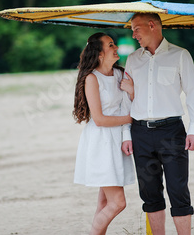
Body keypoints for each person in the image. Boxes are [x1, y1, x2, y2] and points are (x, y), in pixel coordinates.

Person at [120, 13, 194, 235]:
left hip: (172, 132)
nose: (133, 34)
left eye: (136, 28)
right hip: (140, 133)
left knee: (178, 190)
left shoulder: (180, 55)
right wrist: (126, 135)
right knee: (149, 193)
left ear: (151, 26)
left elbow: (193, 93)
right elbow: (125, 100)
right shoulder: (132, 59)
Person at [73, 32, 136, 235]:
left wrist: (133, 91)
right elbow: (99, 119)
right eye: (111, 45)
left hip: (117, 139)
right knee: (118, 202)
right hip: (100, 142)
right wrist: (130, 120)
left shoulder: (120, 74)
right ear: (100, 53)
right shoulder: (92, 78)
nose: (116, 47)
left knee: (104, 202)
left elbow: (129, 103)